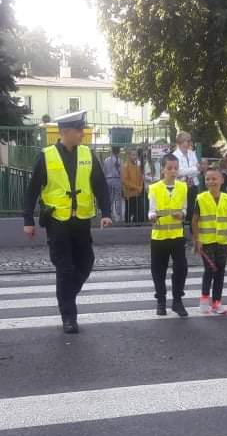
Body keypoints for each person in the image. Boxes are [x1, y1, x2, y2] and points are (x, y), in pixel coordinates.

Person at [22, 110, 112, 334]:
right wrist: (28, 220)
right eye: (78, 130)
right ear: (64, 132)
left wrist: (107, 212)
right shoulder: (46, 155)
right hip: (57, 221)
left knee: (86, 261)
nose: (82, 133)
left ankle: (67, 295)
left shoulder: (87, 154)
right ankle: (69, 318)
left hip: (81, 219)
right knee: (65, 268)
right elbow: (32, 189)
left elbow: (100, 185)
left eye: (83, 129)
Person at [148, 153, 189, 317]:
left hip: (177, 235)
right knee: (159, 271)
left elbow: (185, 208)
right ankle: (161, 301)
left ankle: (177, 301)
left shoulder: (182, 187)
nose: (173, 171)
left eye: (176, 168)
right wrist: (151, 216)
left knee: (181, 268)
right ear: (163, 169)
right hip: (159, 237)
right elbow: (151, 210)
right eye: (169, 168)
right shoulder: (154, 188)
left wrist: (182, 214)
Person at [192, 167, 227, 315]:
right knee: (210, 270)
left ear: (221, 180)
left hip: (222, 241)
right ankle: (204, 300)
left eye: (214, 178)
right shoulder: (201, 198)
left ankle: (217, 303)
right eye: (208, 179)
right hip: (206, 241)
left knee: (220, 271)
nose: (211, 181)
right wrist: (197, 240)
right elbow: (195, 221)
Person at [173, 132, 199, 232]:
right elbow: (178, 172)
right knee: (181, 210)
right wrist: (192, 169)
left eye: (190, 140)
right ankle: (181, 234)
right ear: (181, 142)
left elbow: (198, 170)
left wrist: (188, 170)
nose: (189, 143)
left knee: (193, 212)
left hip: (193, 185)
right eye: (187, 140)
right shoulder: (175, 155)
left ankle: (193, 235)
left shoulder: (192, 153)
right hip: (181, 186)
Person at [122, 147, 145, 223]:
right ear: (129, 156)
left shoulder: (137, 165)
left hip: (137, 192)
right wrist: (137, 187)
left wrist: (140, 186)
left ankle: (137, 223)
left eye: (136, 155)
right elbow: (125, 181)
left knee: (137, 211)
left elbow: (141, 177)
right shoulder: (126, 166)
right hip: (129, 193)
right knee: (128, 211)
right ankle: (127, 224)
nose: (135, 157)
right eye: (133, 155)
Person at [102, 145, 124, 222]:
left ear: (112, 151)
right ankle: (119, 216)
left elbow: (104, 171)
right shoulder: (120, 161)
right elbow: (121, 172)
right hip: (117, 180)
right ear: (119, 151)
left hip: (108, 180)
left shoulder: (106, 160)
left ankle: (109, 215)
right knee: (118, 199)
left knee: (110, 199)